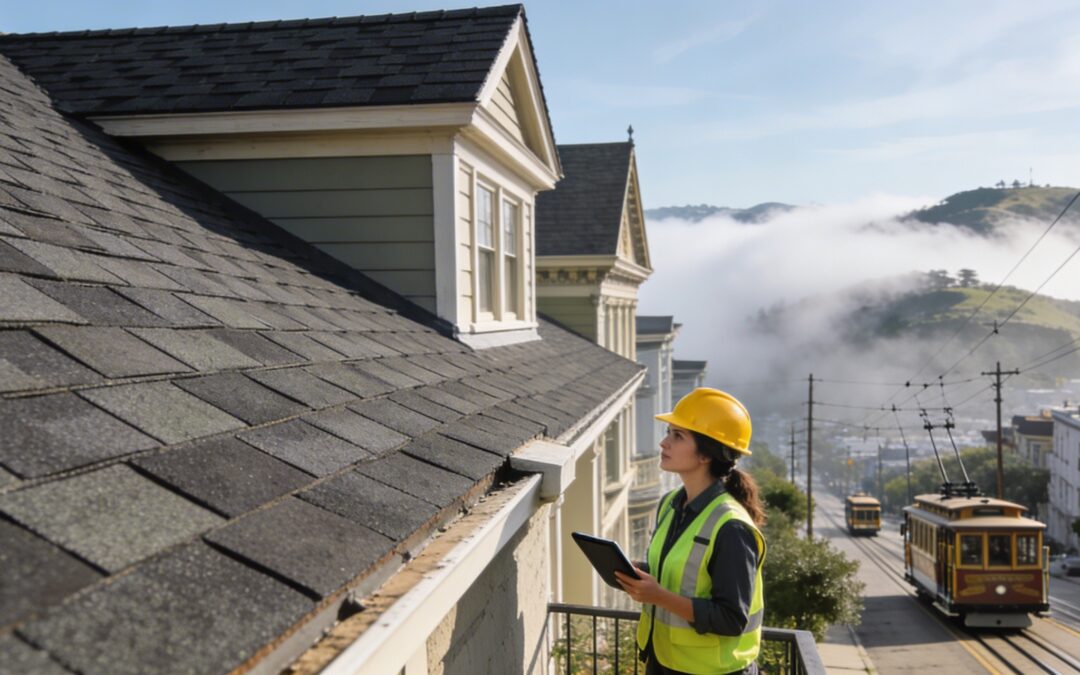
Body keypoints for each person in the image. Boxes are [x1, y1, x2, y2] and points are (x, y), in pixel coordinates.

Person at [615, 388, 766, 675]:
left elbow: (732, 619)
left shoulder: (732, 528)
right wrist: (640, 573)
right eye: (668, 432)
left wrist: (657, 595)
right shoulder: (671, 504)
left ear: (706, 455)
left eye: (677, 436)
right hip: (665, 663)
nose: (664, 442)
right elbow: (686, 575)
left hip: (714, 671)